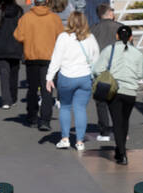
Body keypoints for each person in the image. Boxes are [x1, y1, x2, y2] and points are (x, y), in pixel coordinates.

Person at [45, 11, 98, 150]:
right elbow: (96, 58)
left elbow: (56, 58)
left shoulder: (63, 37)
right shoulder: (90, 37)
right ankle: (80, 141)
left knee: (65, 107)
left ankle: (65, 138)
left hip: (67, 76)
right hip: (85, 76)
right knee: (80, 109)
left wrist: (49, 77)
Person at [93, 25, 143, 164]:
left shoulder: (109, 50)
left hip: (114, 91)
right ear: (131, 37)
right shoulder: (137, 53)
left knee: (116, 121)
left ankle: (122, 153)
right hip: (131, 92)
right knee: (124, 120)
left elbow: (97, 69)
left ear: (116, 36)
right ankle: (120, 148)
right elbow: (142, 73)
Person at [14, 0, 64, 130]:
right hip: (49, 57)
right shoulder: (54, 18)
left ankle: (32, 116)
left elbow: (18, 36)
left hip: (32, 56)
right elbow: (61, 37)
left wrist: (30, 39)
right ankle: (45, 120)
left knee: (32, 88)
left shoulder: (26, 18)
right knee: (47, 89)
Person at [88, 4, 120, 141]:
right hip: (118, 69)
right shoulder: (120, 27)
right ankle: (120, 128)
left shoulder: (93, 29)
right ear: (110, 13)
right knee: (117, 100)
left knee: (101, 101)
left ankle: (104, 131)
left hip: (100, 70)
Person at [0, 0, 23, 109]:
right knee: (14, 73)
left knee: (4, 74)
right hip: (16, 45)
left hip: (1, 45)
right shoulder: (19, 10)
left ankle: (6, 100)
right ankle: (13, 97)